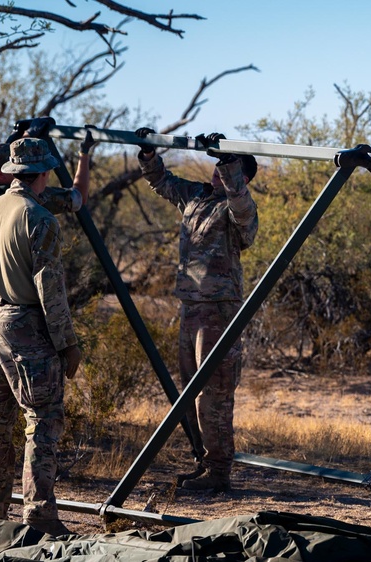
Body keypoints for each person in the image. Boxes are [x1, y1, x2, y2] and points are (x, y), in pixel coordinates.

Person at [134, 127, 259, 493]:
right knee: (190, 391)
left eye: (228, 169)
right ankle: (203, 463)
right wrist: (147, 153)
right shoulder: (196, 196)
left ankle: (220, 472)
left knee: (215, 393)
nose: (218, 173)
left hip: (219, 312)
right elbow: (161, 181)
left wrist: (229, 160)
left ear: (243, 176)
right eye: (217, 167)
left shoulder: (240, 209)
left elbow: (242, 209)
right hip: (190, 308)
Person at [0, 137, 83, 535]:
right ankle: (39, 518)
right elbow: (50, 289)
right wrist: (67, 342)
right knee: (43, 421)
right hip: (26, 329)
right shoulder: (39, 218)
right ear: (43, 173)